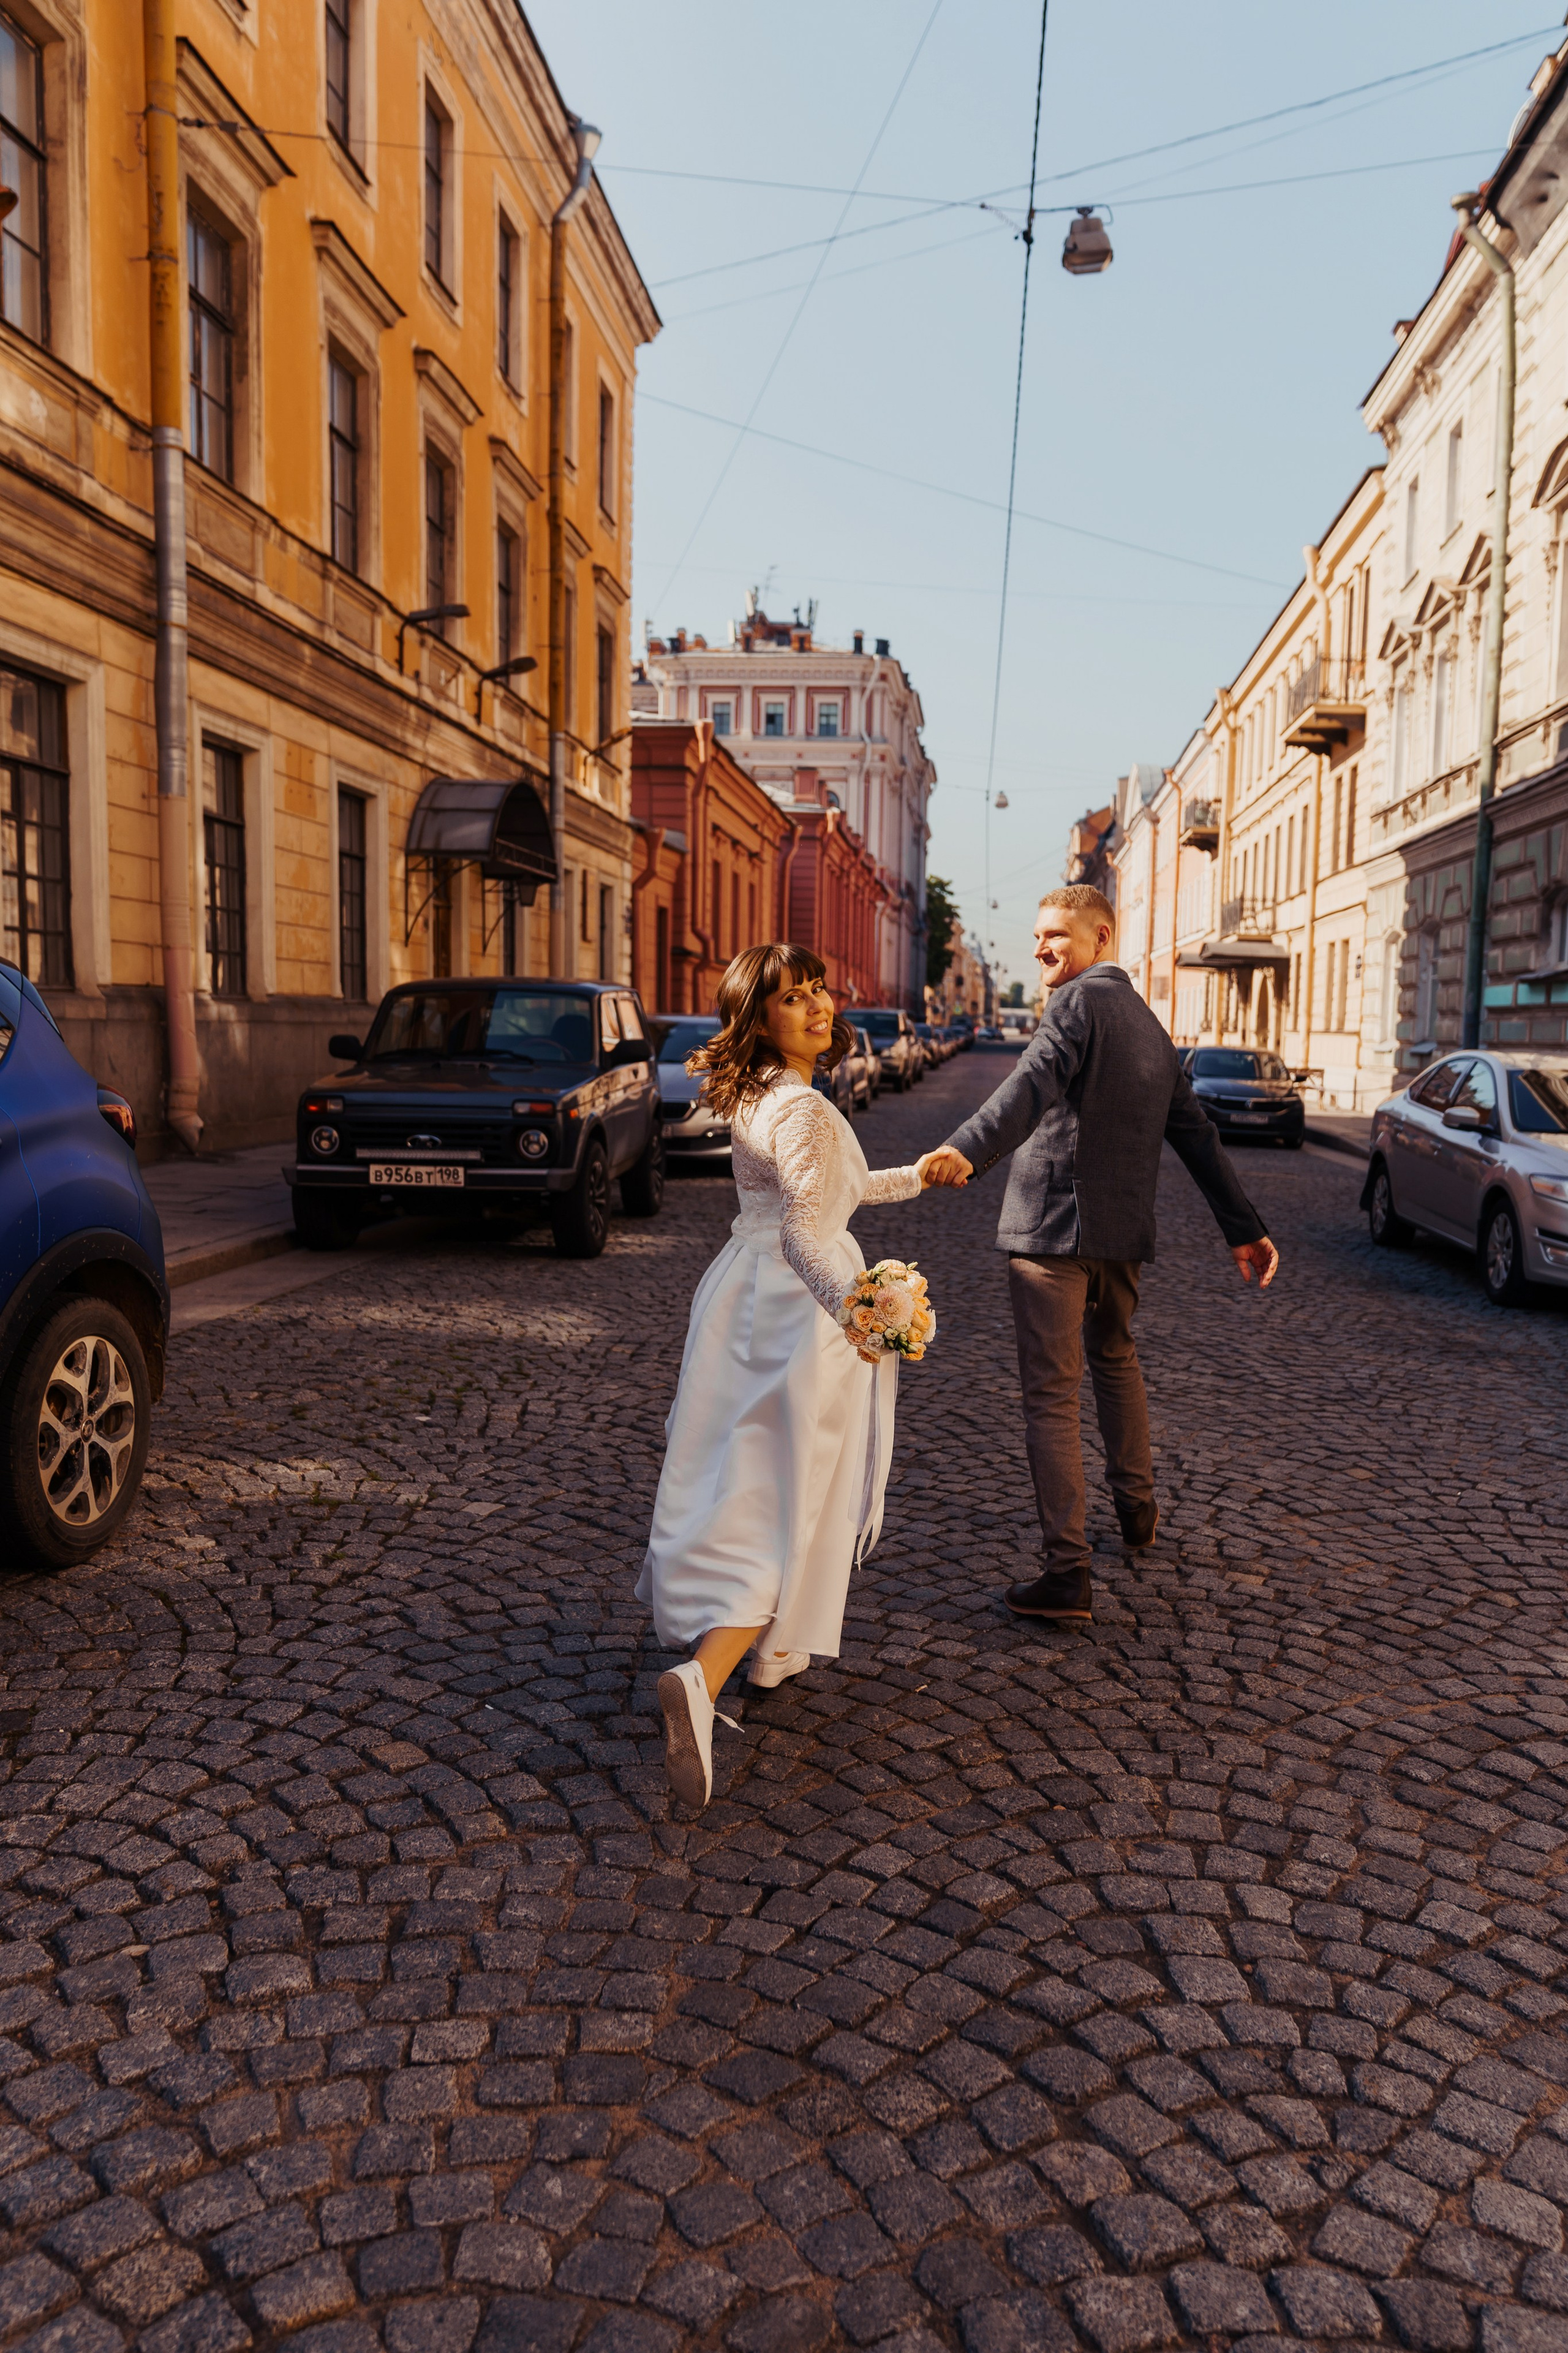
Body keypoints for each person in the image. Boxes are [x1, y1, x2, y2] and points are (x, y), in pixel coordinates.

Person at [638, 944, 962, 1809]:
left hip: (740, 1300)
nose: (817, 1006)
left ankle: (769, 1657)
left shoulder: (763, 1096)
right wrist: (857, 1313)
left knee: (741, 1479)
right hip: (795, 1313)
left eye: (820, 989)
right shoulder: (806, 1109)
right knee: (792, 1493)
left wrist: (915, 1175)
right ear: (760, 1020)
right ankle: (705, 1682)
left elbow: (821, 1197)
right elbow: (807, 1237)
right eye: (793, 999)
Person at [922, 885, 1279, 1625]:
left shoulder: (1077, 1004)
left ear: (1099, 937)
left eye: (1055, 935)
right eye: (1037, 935)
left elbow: (1030, 1084)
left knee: (1052, 1396)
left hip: (1053, 1231)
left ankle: (1067, 1573)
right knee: (1115, 1359)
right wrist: (1242, 1226)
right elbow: (1195, 1132)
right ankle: (1137, 1509)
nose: (1041, 949)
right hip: (1120, 1237)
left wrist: (966, 1148)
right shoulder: (1150, 1023)